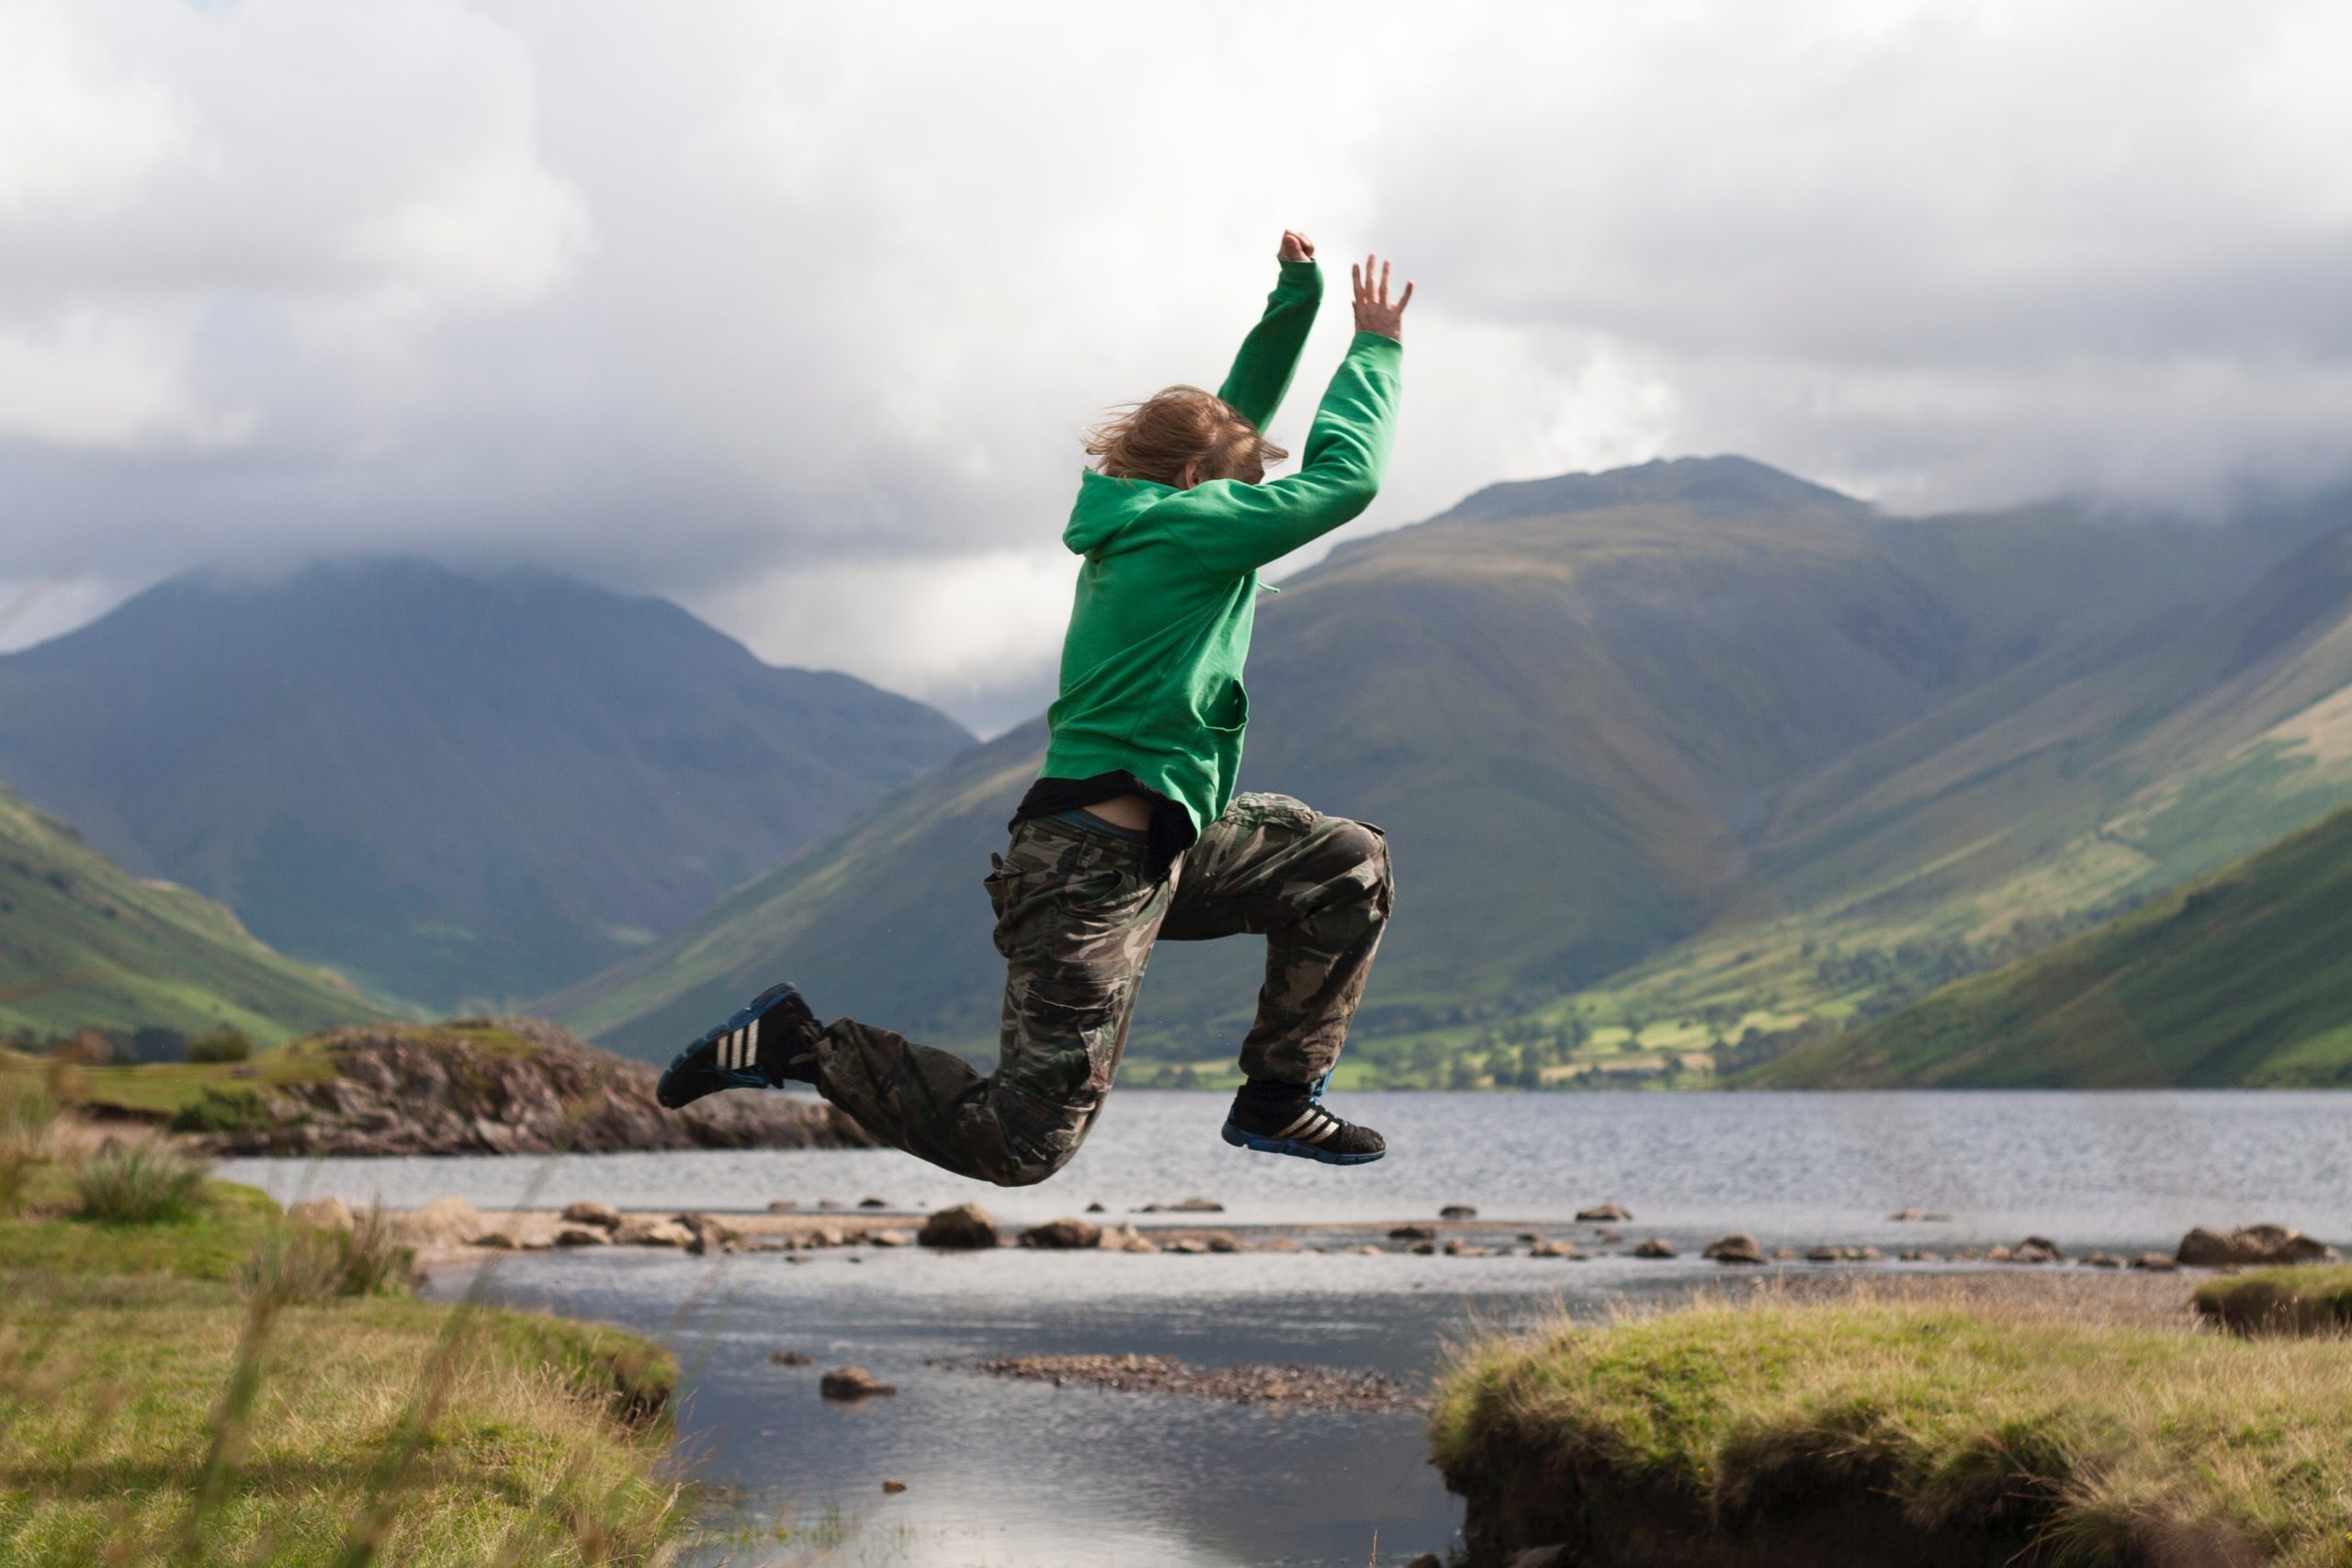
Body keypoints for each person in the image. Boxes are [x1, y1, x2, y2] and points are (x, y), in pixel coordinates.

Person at [657, 231, 1411, 1186]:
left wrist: (1294, 301)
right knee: (1023, 1145)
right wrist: (1375, 346)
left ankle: (1275, 1098)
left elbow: (1230, 425)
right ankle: (802, 1046)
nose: (1256, 504)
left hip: (1170, 845)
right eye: (1246, 486)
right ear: (1196, 486)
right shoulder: (1183, 529)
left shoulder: (1156, 512)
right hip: (1085, 872)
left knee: (1345, 863)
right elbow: (1348, 480)